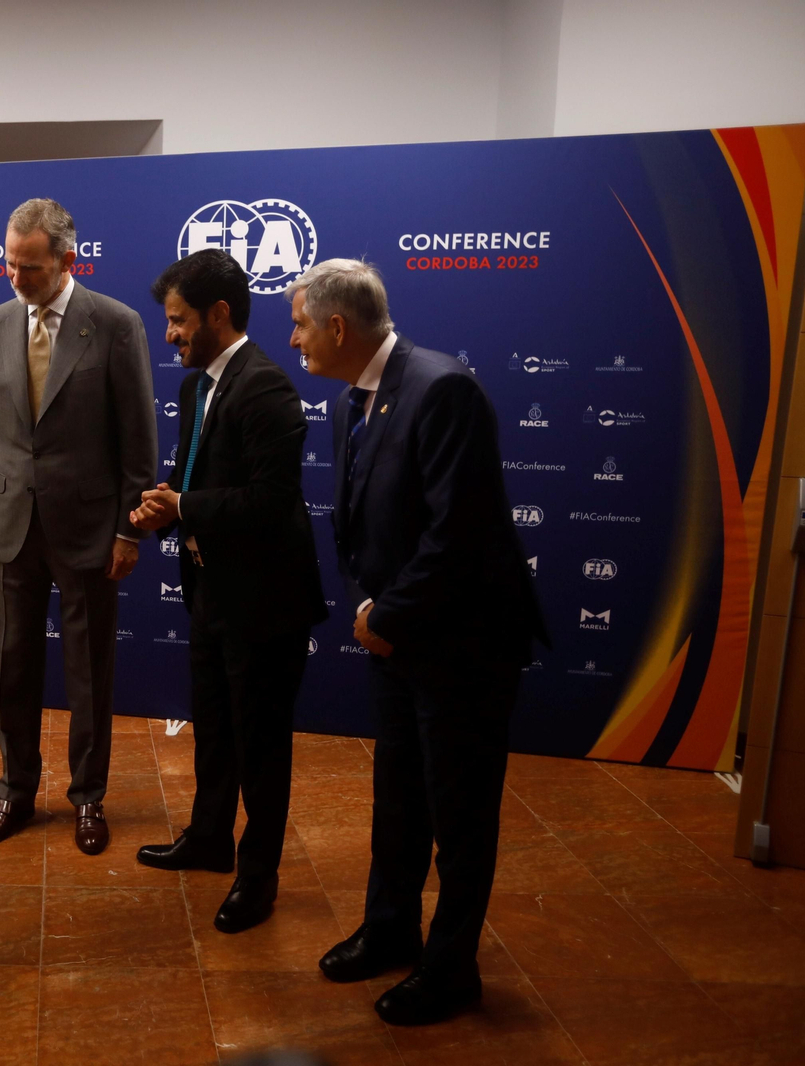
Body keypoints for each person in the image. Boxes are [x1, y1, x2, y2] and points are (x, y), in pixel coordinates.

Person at [290, 259, 547, 1025]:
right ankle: (389, 930)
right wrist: (373, 607)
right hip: (399, 640)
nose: (295, 339)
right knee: (399, 799)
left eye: (300, 325)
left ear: (338, 327)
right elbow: (357, 525)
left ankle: (451, 969)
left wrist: (387, 615)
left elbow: (459, 534)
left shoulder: (441, 389)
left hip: (464, 647)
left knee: (460, 817)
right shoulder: (350, 401)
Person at [129, 250, 327, 933]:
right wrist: (163, 508)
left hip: (265, 603)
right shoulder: (197, 388)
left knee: (261, 747)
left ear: (219, 314)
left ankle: (257, 877)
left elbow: (270, 501)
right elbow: (198, 478)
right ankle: (209, 839)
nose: (169, 334)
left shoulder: (266, 387)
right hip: (211, 590)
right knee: (214, 728)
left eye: (178, 320)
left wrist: (183, 507)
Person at [0, 198, 157, 855]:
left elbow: (138, 436)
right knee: (11, 667)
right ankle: (15, 792)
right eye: (9, 264)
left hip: (90, 529)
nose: (16, 277)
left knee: (88, 673)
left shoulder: (116, 323)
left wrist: (129, 530)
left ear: (67, 260)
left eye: (31, 267)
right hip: (12, 525)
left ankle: (88, 798)